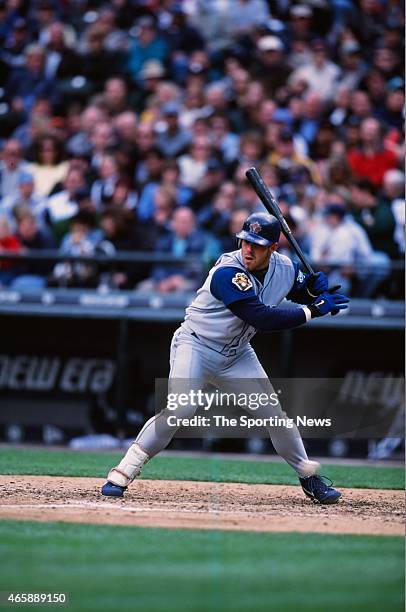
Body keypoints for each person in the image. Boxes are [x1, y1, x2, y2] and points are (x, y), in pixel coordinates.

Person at [102, 212, 349, 504]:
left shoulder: (285, 266)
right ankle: (123, 471)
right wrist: (313, 309)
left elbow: (297, 287)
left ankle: (310, 479)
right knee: (180, 409)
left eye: (257, 245)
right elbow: (262, 317)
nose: (248, 249)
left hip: (236, 354)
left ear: (273, 248)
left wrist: (310, 289)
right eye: (245, 242)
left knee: (276, 418)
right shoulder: (227, 271)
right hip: (196, 346)